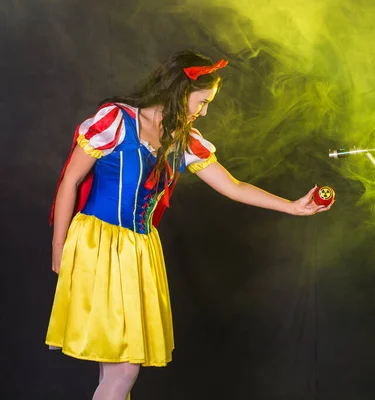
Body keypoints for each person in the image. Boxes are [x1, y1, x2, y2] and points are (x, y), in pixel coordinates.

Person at [46, 50, 332, 400]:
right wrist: (60, 249)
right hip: (97, 246)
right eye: (202, 101)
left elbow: (234, 186)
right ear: (181, 92)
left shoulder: (185, 141)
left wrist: (291, 207)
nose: (204, 111)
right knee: (123, 369)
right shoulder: (116, 121)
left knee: (118, 362)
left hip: (139, 253)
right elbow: (70, 182)